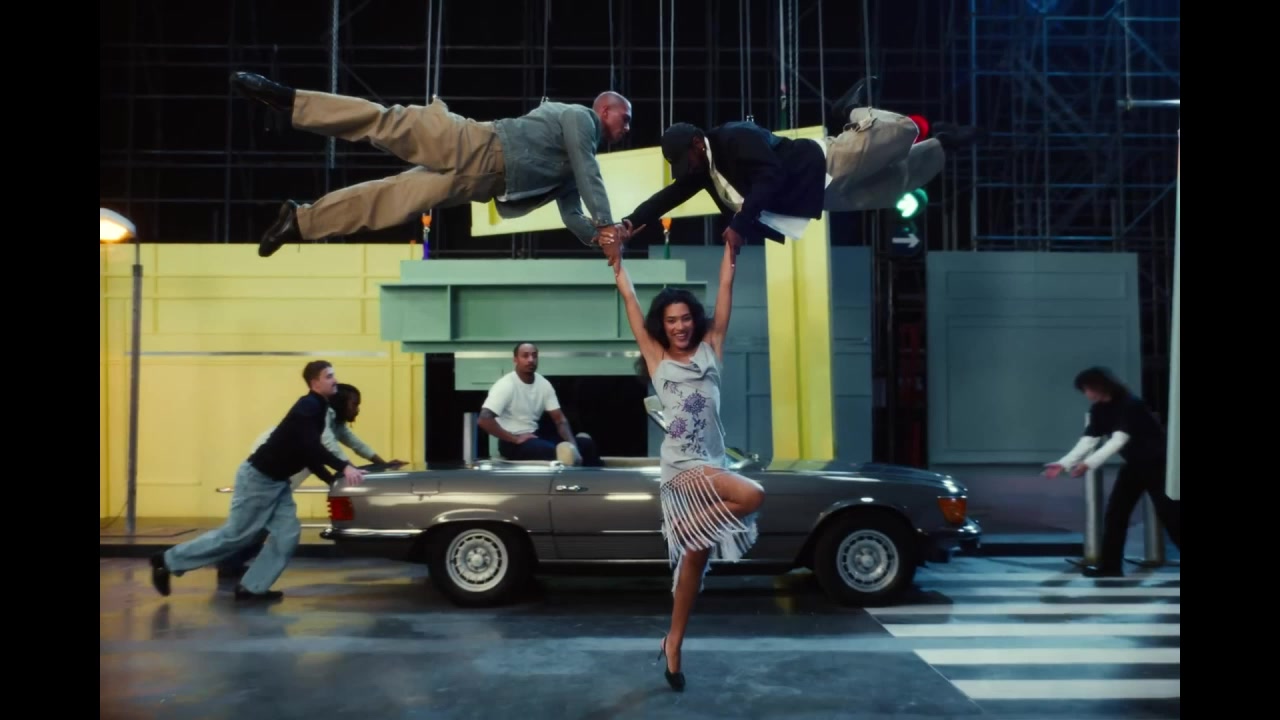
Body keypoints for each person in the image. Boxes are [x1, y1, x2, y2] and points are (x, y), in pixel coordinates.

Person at [228, 72, 634, 257]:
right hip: (473, 142)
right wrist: (606, 224)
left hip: (478, 183)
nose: (628, 127)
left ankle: (300, 222)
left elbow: (571, 212)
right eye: (625, 117)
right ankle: (290, 101)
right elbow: (588, 172)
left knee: (391, 201)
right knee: (384, 124)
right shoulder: (581, 119)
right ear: (605, 109)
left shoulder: (575, 166)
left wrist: (599, 238)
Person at [610, 234, 764, 692]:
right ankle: (687, 524)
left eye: (685, 318)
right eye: (671, 320)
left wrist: (731, 252)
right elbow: (631, 302)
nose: (679, 326)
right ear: (663, 325)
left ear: (696, 320)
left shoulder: (712, 346)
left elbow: (725, 290)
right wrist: (617, 263)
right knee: (752, 495)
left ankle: (673, 643)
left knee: (693, 566)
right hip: (681, 472)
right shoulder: (656, 357)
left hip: (712, 464)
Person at [594, 84, 978, 259]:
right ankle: (943, 144)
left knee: (901, 130)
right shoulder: (703, 169)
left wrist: (740, 224)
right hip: (817, 197)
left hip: (823, 163)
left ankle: (847, 112)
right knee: (894, 185)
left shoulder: (734, 137)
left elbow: (770, 175)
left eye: (686, 161)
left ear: (696, 142)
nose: (688, 170)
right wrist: (631, 221)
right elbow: (669, 196)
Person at [149, 361, 367, 601]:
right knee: (235, 536)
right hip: (258, 479)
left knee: (286, 535)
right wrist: (344, 467)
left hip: (278, 483)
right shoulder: (308, 406)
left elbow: (308, 455)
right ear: (315, 383)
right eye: (329, 376)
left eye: (333, 375)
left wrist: (332, 480)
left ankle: (252, 587)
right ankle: (166, 560)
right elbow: (312, 448)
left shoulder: (319, 409)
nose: (335, 380)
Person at [216, 383, 404, 579]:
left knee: (262, 521)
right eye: (354, 404)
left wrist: (383, 464)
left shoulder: (335, 422)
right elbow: (330, 447)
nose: (357, 409)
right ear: (340, 403)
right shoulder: (321, 416)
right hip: (269, 467)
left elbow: (355, 444)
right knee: (257, 520)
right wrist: (350, 470)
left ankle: (232, 563)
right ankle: (228, 562)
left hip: (284, 469)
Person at [1044, 366, 1181, 578]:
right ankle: (1110, 566)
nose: (1086, 394)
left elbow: (1118, 440)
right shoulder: (1099, 409)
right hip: (1134, 465)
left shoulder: (1131, 404)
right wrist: (1064, 464)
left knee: (1171, 515)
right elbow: (1089, 440)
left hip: (1158, 465)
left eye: (1087, 389)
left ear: (1099, 386)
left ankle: (1110, 565)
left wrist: (1088, 464)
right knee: (1116, 514)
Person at [477, 342, 601, 466]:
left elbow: (560, 420)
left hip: (535, 436)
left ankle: (592, 477)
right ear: (515, 360)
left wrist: (574, 447)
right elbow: (484, 420)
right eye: (525, 356)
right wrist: (515, 439)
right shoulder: (505, 385)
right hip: (511, 442)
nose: (531, 360)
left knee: (585, 444)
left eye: (534, 356)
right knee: (552, 451)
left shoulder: (543, 384)